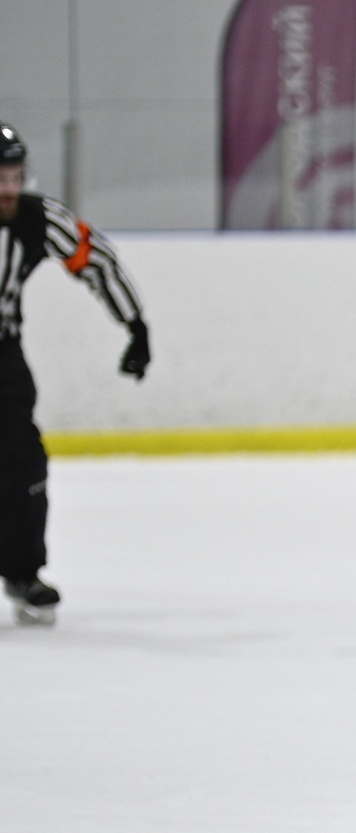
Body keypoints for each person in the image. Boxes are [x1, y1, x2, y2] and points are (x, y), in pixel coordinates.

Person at [0, 123, 149, 625]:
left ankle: (23, 572)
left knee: (24, 464)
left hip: (3, 356)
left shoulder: (38, 219)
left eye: (15, 177)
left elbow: (96, 259)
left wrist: (135, 325)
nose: (9, 189)